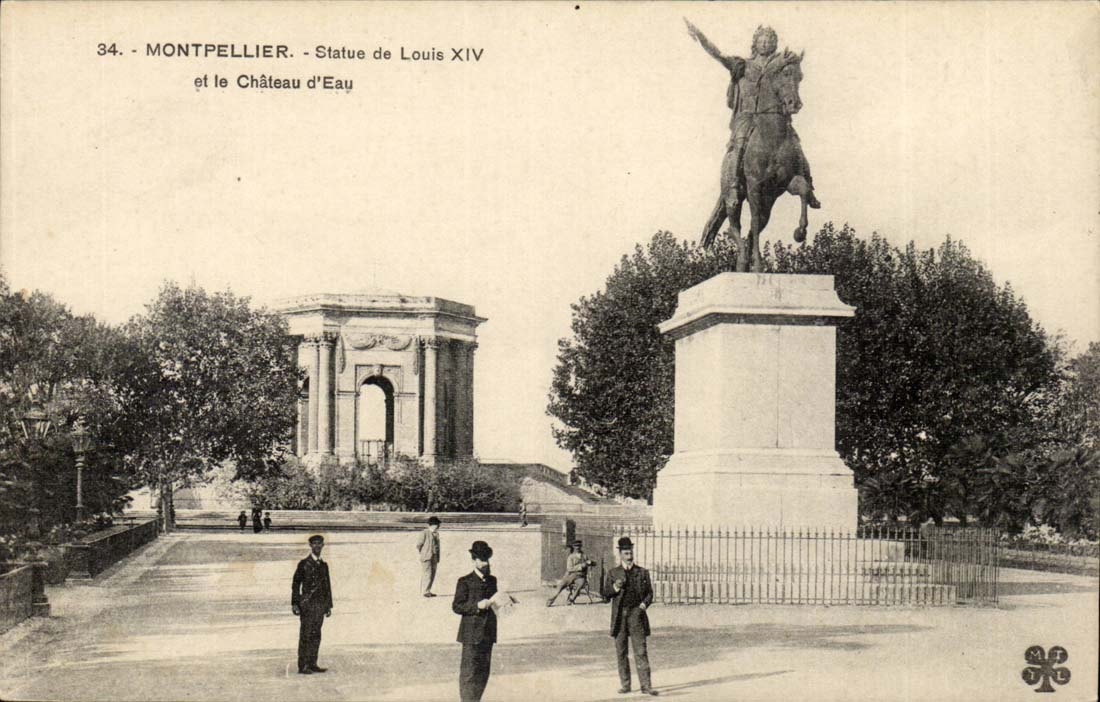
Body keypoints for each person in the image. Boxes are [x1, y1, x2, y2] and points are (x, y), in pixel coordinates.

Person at [685, 20, 820, 210]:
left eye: (769, 40)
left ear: (774, 43)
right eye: (762, 40)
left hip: (772, 116)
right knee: (739, 142)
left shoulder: (779, 63)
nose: (765, 43)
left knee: (794, 143)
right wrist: (700, 37)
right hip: (747, 115)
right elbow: (718, 55)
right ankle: (732, 185)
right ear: (755, 43)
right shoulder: (742, 64)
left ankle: (809, 185)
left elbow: (792, 71)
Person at [602, 537, 657, 696]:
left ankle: (646, 686)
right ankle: (625, 685)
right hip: (620, 616)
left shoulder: (642, 572)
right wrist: (615, 587)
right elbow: (605, 595)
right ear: (620, 554)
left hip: (636, 615)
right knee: (621, 652)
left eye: (631, 552)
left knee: (640, 651)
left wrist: (642, 606)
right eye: (626, 553)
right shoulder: (613, 573)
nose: (629, 555)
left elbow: (649, 594)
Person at [452, 540, 497, 702]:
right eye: (482, 559)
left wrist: (506, 601)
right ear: (474, 561)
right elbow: (457, 606)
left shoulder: (493, 580)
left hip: (488, 632)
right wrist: (477, 606)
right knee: (469, 672)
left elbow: (495, 602)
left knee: (484, 672)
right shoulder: (465, 581)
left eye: (487, 559)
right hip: (471, 633)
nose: (486, 563)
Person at [291, 534, 333, 675]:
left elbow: (327, 586)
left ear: (323, 546)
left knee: (316, 634)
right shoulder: (303, 564)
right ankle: (302, 665)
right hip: (307, 605)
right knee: (306, 635)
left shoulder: (324, 565)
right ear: (310, 545)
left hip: (320, 605)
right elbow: (296, 584)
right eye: (314, 543)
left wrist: (328, 605)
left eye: (319, 543)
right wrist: (295, 603)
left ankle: (313, 663)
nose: (317, 546)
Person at [546, 540, 595, 607]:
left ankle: (571, 599)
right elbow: (569, 569)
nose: (577, 548)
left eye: (579, 546)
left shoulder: (584, 556)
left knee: (580, 584)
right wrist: (581, 566)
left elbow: (590, 564)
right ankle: (550, 600)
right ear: (573, 547)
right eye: (576, 546)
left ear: (581, 547)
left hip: (580, 576)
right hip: (570, 575)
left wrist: (591, 563)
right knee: (560, 586)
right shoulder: (571, 557)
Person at [416, 516, 442, 597]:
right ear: (431, 525)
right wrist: (423, 552)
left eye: (437, 525)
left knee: (433, 574)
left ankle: (428, 590)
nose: (437, 527)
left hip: (434, 556)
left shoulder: (436, 534)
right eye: (435, 525)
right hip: (426, 556)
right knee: (428, 573)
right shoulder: (424, 532)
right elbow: (419, 545)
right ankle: (425, 591)